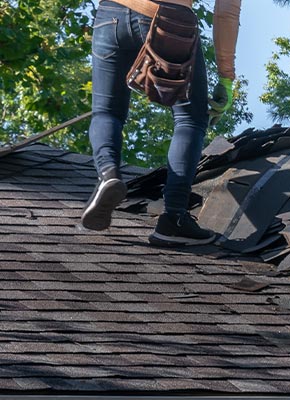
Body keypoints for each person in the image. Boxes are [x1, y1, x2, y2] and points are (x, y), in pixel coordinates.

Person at [80, 0, 241, 245]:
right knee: (190, 119)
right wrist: (226, 78)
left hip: (109, 13)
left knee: (106, 112)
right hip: (169, 16)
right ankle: (173, 218)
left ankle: (108, 174)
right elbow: (226, 12)